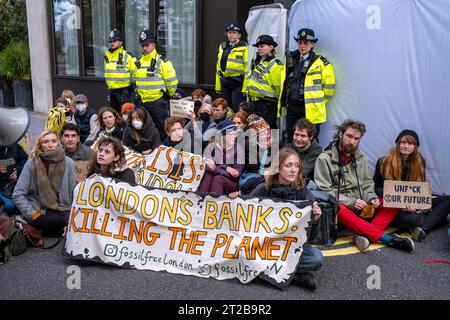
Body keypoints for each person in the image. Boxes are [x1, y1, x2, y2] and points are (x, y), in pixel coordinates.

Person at [314, 120, 415, 252]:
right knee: (338, 209)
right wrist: (351, 202)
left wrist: (372, 198)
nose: (352, 142)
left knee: (393, 201)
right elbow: (325, 191)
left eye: (356, 138)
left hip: (363, 205)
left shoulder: (361, 157)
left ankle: (362, 234)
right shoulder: (324, 158)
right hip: (343, 206)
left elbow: (367, 183)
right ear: (340, 134)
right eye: (349, 136)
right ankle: (388, 239)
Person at [248, 148, 323, 291]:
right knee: (239, 252)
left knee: (316, 258)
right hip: (264, 246)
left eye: (296, 165)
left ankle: (263, 273)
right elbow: (244, 220)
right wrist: (235, 201)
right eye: (288, 165)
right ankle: (293, 277)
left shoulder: (304, 192)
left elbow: (310, 238)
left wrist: (315, 220)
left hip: (290, 247)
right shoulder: (262, 190)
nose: (293, 170)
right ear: (278, 167)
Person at [373, 129, 450, 241]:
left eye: (410, 143)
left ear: (415, 146)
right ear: (398, 144)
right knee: (412, 219)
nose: (406, 146)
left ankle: (424, 227)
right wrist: (398, 196)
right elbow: (375, 188)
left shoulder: (420, 161)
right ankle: (433, 220)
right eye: (403, 142)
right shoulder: (383, 161)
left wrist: (416, 206)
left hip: (413, 204)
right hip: (393, 206)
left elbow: (421, 190)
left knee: (448, 200)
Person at [12, 130, 76, 236]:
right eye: (46, 142)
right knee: (60, 221)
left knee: (70, 218)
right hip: (38, 212)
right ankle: (51, 230)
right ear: (40, 145)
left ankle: (45, 230)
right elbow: (18, 195)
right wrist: (32, 214)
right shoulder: (31, 164)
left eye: (53, 141)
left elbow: (72, 192)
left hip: (61, 210)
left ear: (58, 143)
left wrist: (71, 214)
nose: (50, 145)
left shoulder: (69, 163)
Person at [284, 28, 336, 142]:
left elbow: (329, 89)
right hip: (292, 108)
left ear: (312, 44)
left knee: (310, 140)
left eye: (306, 43)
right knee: (291, 139)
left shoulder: (321, 63)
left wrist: (316, 102)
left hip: (310, 109)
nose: (302, 46)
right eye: (300, 42)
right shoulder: (290, 60)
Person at [135, 29, 178, 141]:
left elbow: (172, 82)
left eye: (147, 45)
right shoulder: (139, 62)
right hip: (142, 103)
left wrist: (168, 94)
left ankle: (163, 152)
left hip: (157, 103)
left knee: (162, 129)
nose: (144, 48)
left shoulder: (162, 62)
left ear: (154, 44)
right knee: (145, 129)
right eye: (142, 45)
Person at [243, 35, 285, 129]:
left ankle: (275, 144)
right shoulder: (257, 62)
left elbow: (279, 90)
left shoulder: (276, 65)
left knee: (269, 131)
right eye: (258, 47)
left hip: (268, 106)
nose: (259, 49)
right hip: (256, 104)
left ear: (271, 47)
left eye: (262, 46)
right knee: (257, 132)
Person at [199, 120, 244, 195]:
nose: (235, 136)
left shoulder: (239, 149)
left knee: (218, 178)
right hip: (213, 178)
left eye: (235, 133)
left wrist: (217, 168)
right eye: (231, 134)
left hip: (231, 184)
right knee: (207, 176)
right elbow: (205, 167)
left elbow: (236, 175)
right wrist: (226, 168)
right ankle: (200, 202)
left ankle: (214, 204)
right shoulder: (210, 147)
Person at [216, 23, 248, 112]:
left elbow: (247, 69)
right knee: (226, 108)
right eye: (229, 32)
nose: (231, 34)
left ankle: (237, 124)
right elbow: (218, 67)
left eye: (234, 32)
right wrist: (218, 86)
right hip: (225, 82)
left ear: (239, 35)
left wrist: (245, 88)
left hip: (238, 82)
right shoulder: (223, 46)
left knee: (236, 107)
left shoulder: (244, 47)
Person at [104, 29, 137, 113]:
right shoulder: (107, 56)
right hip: (112, 91)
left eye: (115, 41)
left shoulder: (128, 56)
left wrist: (131, 90)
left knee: (126, 115)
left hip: (124, 91)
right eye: (110, 41)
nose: (112, 43)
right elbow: (107, 74)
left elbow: (135, 75)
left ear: (121, 42)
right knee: (114, 115)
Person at [239, 115, 272, 195]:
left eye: (268, 132)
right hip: (250, 179)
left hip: (267, 180)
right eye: (263, 133)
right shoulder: (247, 145)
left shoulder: (274, 146)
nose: (267, 136)